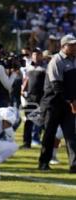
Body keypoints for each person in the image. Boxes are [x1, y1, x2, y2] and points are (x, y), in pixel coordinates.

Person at [38, 34, 76, 172]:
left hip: (68, 104)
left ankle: (74, 165)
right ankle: (43, 163)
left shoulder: (74, 60)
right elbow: (57, 86)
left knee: (71, 135)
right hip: (52, 104)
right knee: (49, 134)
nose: (74, 47)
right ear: (63, 46)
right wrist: (71, 101)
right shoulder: (56, 61)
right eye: (71, 45)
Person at [21, 47, 46, 149]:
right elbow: (26, 79)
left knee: (39, 120)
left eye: (37, 54)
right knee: (28, 120)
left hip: (41, 97)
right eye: (34, 54)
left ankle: (36, 139)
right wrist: (23, 89)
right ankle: (27, 143)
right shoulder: (29, 68)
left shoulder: (45, 68)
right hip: (30, 98)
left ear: (41, 56)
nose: (35, 56)